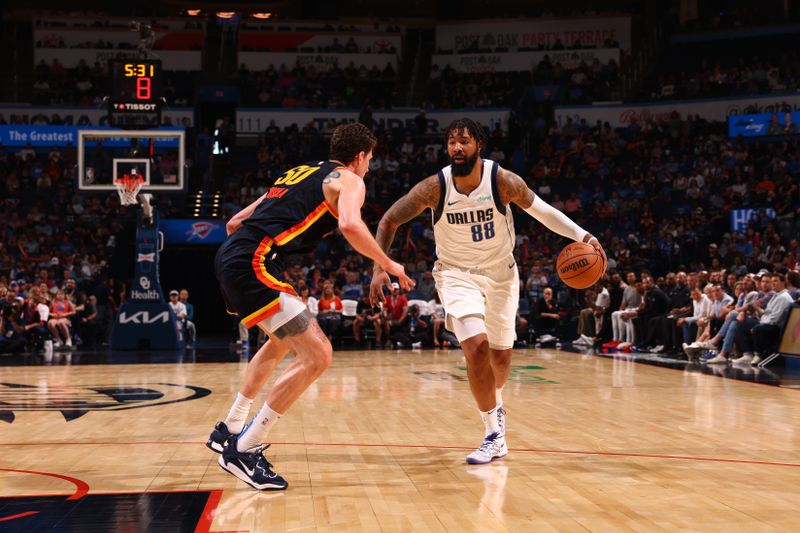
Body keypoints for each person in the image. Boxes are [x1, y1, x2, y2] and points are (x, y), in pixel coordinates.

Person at [369, 118, 604, 465]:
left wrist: (584, 237)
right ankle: (493, 433)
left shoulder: (504, 181)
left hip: (501, 275)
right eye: (451, 142)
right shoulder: (434, 188)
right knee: (476, 350)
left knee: (500, 358)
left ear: (479, 145)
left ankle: (496, 410)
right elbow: (389, 220)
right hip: (456, 274)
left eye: (463, 141)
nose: (456, 148)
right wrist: (378, 267)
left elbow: (544, 213)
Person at [209, 123, 414, 490]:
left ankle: (230, 427)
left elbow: (234, 222)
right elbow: (350, 223)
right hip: (254, 261)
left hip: (235, 256)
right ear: (362, 155)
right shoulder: (349, 180)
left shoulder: (297, 171)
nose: (368, 167)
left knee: (282, 341)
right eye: (370, 159)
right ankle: (244, 448)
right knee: (319, 355)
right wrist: (388, 263)